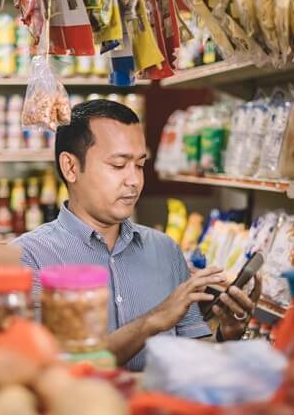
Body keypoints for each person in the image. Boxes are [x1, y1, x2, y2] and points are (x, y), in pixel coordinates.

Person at [13, 100, 261, 371]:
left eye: (140, 165)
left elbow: (192, 354)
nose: (134, 181)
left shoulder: (165, 250)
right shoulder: (28, 258)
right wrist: (153, 321)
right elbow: (43, 370)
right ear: (71, 167)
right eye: (119, 165)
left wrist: (228, 334)